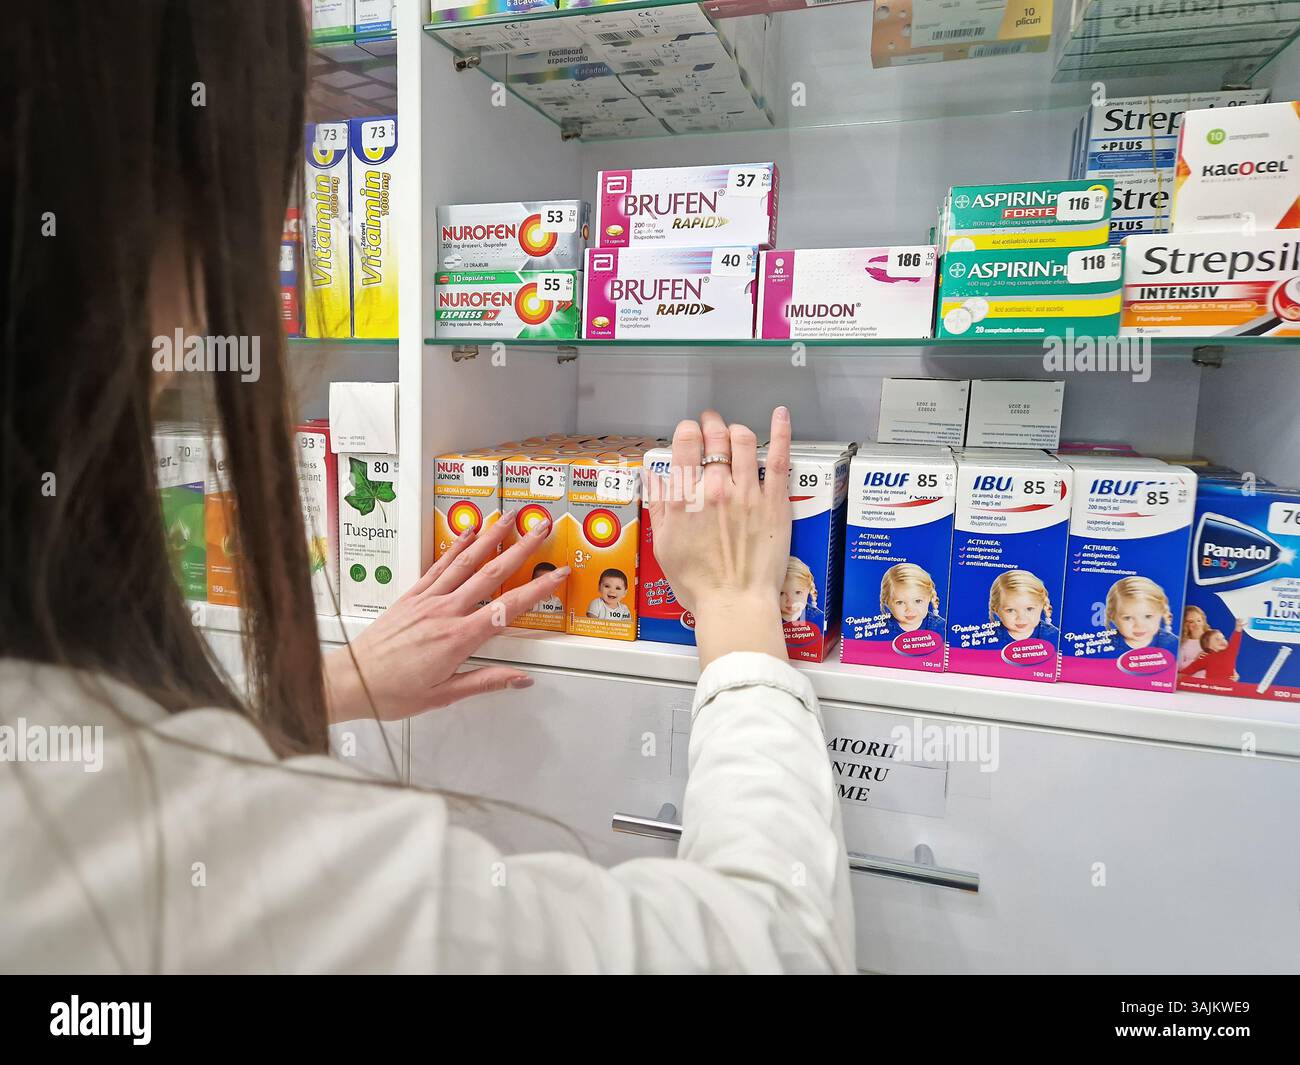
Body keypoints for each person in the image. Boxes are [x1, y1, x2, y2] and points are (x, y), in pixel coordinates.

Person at [0, 3, 852, 973]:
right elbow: (771, 946)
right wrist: (741, 622)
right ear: (172, 205)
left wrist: (323, 688)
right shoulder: (194, 855)